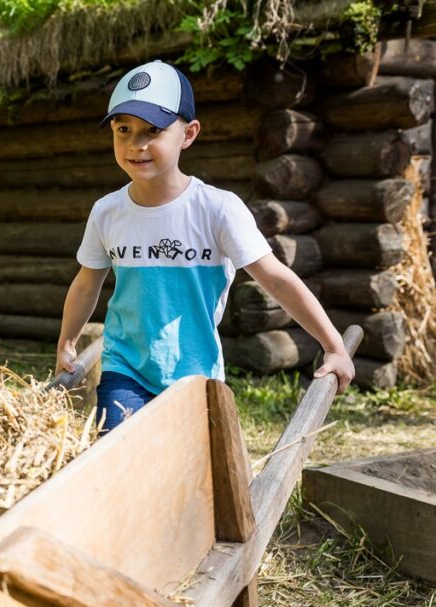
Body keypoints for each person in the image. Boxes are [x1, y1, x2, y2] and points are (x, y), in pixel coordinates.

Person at [56, 61, 354, 431]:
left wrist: (334, 346)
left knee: (191, 478)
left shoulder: (216, 209)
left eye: (152, 130)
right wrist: (67, 342)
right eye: (123, 129)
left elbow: (276, 279)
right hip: (125, 369)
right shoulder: (107, 212)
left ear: (189, 133)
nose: (136, 144)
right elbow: (87, 284)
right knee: (123, 464)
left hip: (195, 374)